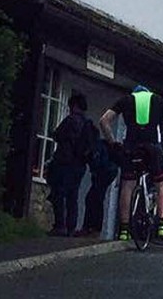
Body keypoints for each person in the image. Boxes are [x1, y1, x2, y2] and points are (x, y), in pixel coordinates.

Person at [99, 85, 163, 241]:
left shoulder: (126, 100)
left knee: (127, 185)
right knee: (162, 184)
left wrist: (113, 142)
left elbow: (104, 121)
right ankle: (162, 223)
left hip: (131, 147)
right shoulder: (158, 100)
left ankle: (124, 229)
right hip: (153, 148)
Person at [48, 93, 96, 236]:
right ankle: (71, 227)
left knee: (59, 194)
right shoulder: (87, 123)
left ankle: (60, 225)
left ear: (73, 105)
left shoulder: (70, 120)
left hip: (65, 162)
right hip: (80, 165)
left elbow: (57, 135)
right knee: (73, 195)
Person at [79, 131, 119, 237]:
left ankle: (93, 228)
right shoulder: (97, 145)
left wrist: (96, 173)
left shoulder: (95, 148)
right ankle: (91, 227)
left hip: (105, 172)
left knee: (95, 198)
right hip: (107, 171)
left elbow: (98, 163)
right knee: (94, 198)